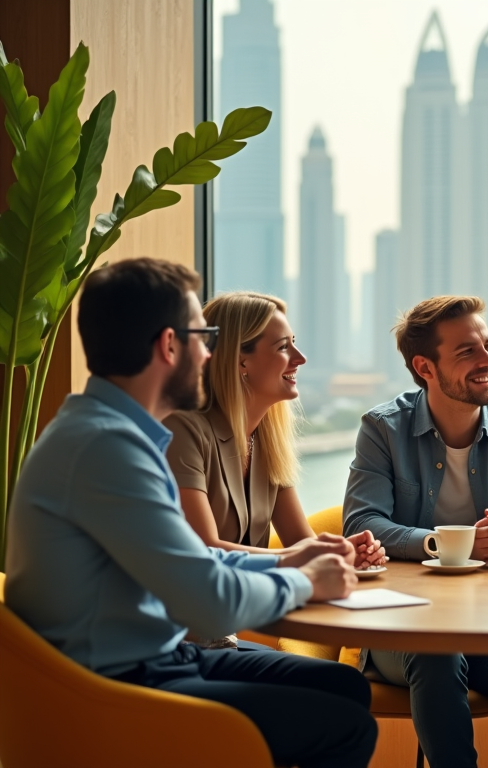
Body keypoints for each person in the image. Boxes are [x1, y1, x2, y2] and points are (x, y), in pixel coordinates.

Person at [4, 258, 377, 768]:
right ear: (169, 346)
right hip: (117, 687)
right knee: (344, 725)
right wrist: (306, 582)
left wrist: (287, 563)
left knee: (341, 685)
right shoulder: (107, 450)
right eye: (203, 337)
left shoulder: (113, 435)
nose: (208, 354)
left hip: (159, 658)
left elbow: (193, 563)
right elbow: (208, 604)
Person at [343, 295, 488, 768]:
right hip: (405, 623)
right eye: (468, 351)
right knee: (436, 656)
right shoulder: (383, 428)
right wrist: (444, 544)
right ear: (425, 367)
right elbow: (362, 523)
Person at [164, 291, 384, 563]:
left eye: (294, 343)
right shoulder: (182, 432)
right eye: (283, 347)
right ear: (241, 360)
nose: (300, 358)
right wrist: (297, 558)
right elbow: (203, 550)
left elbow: (301, 542)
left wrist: (342, 552)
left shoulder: (267, 440)